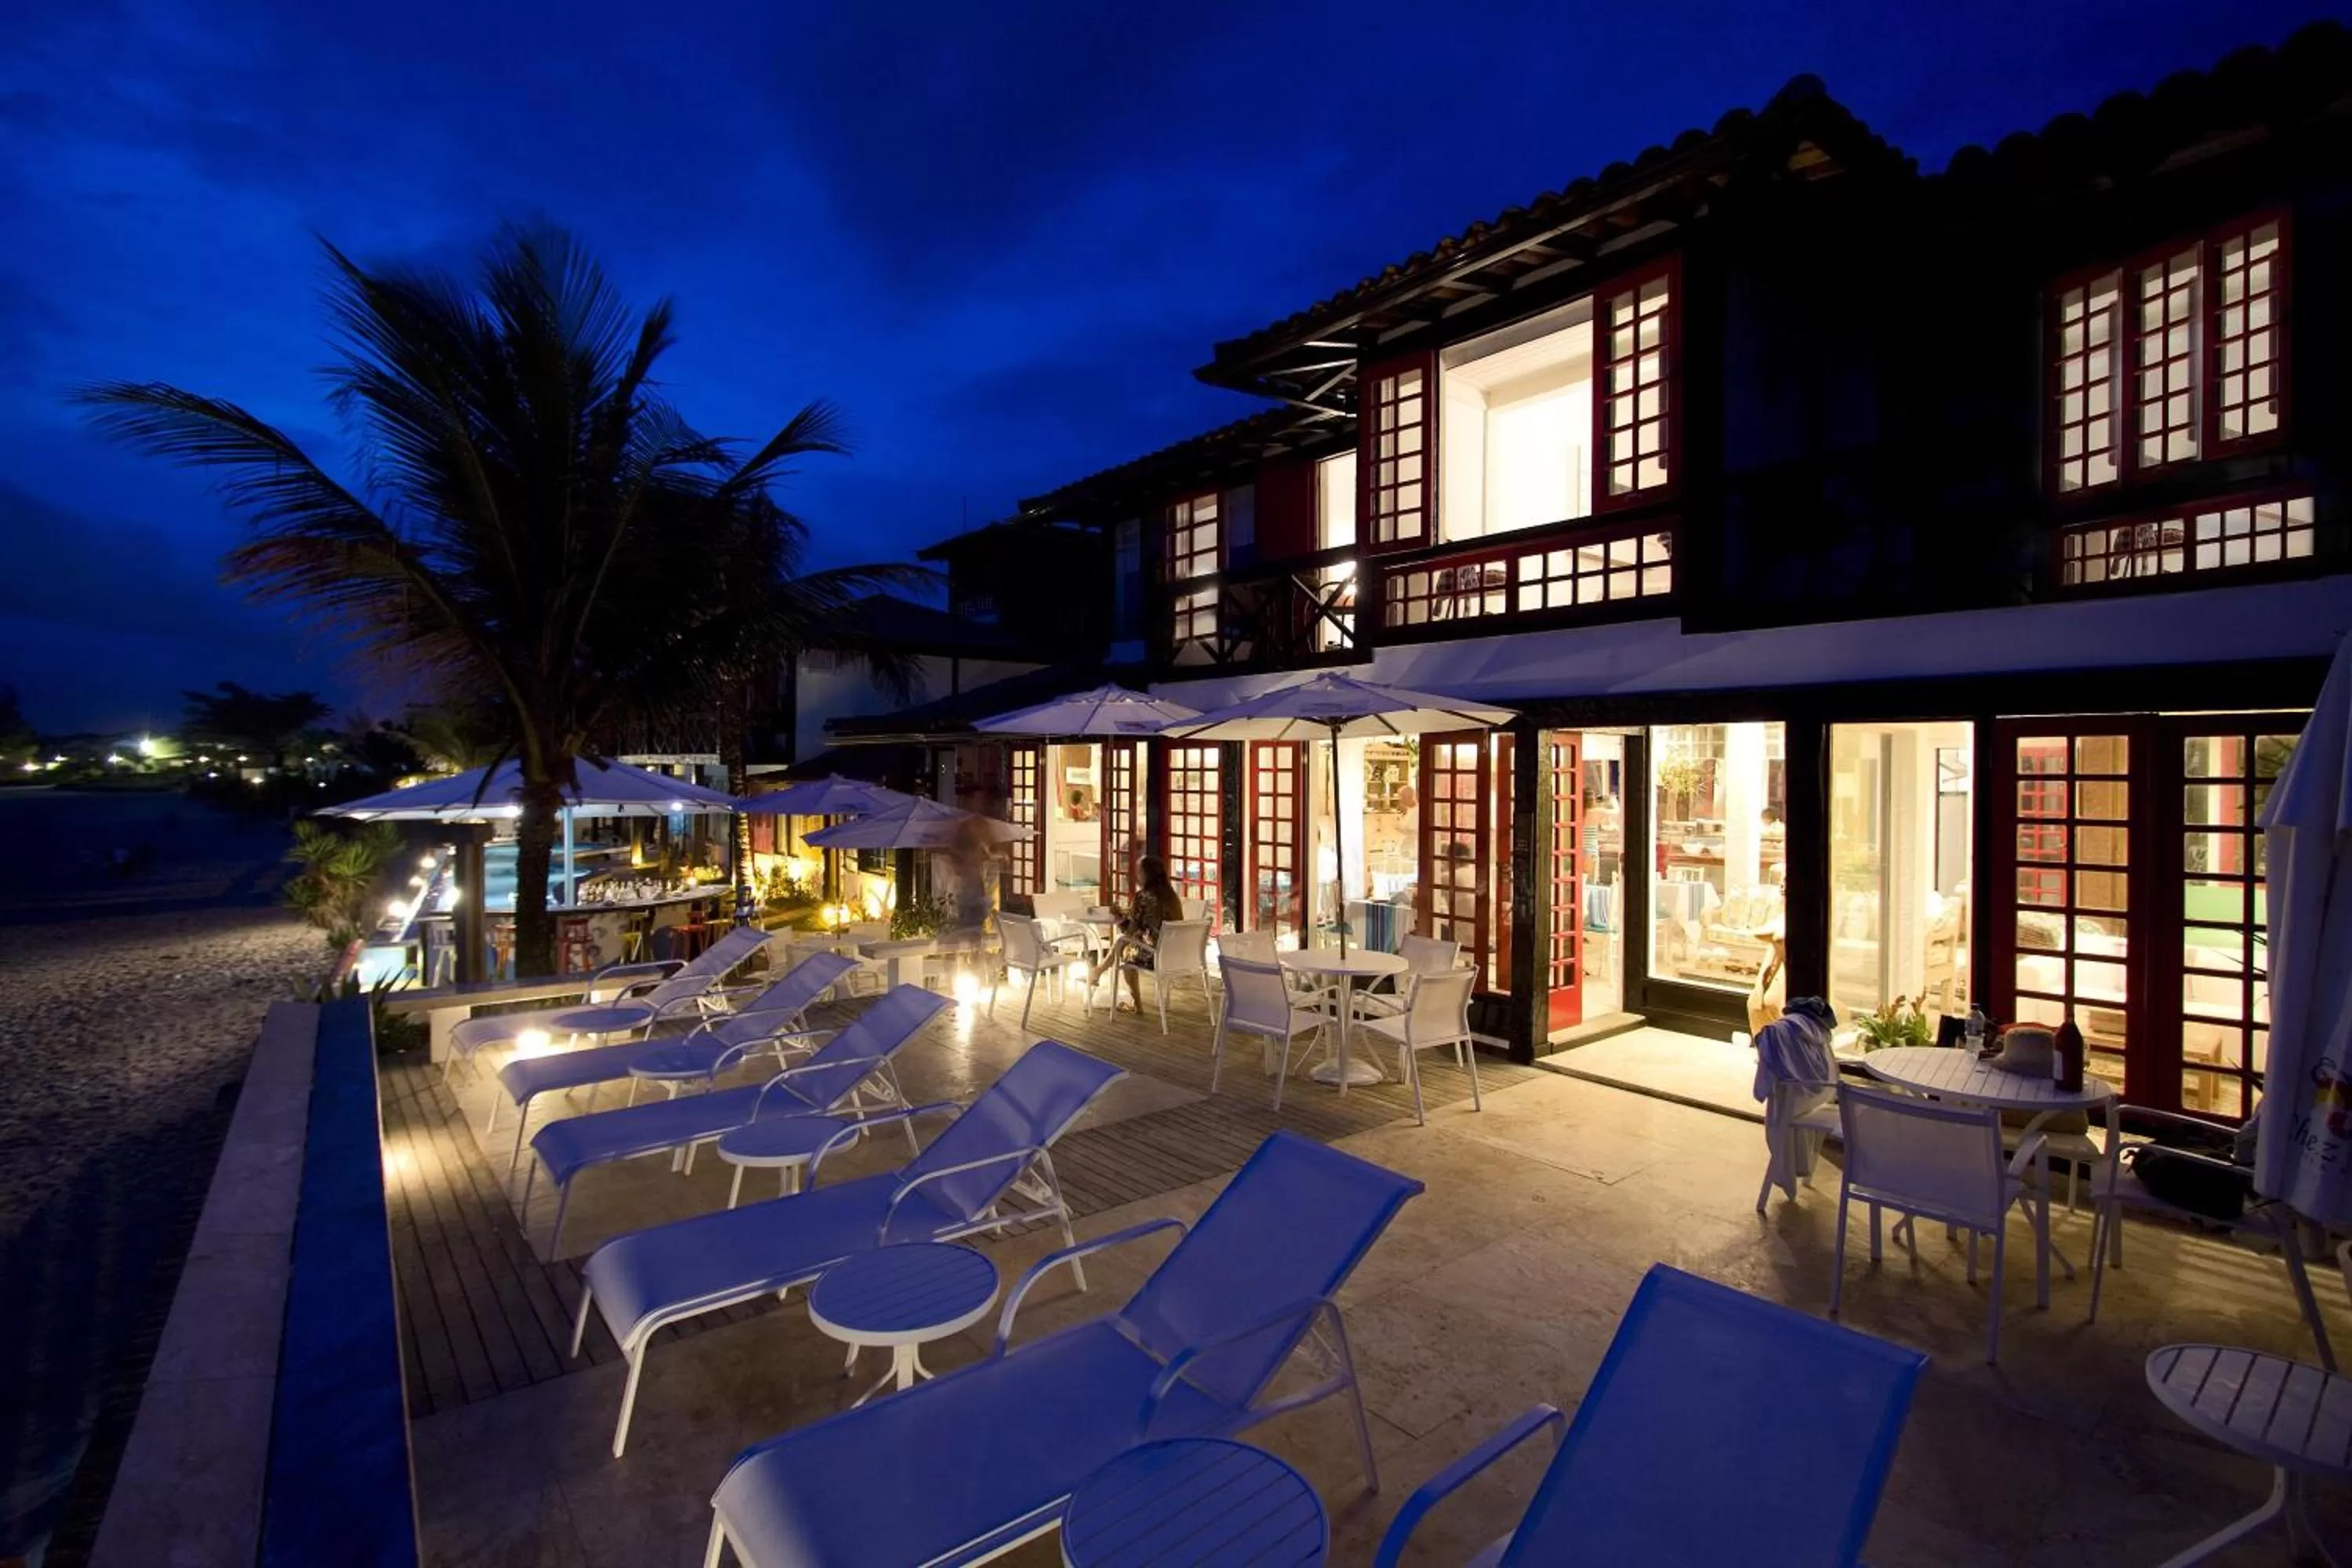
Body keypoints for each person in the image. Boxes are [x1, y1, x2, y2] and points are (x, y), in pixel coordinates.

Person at [1089, 854, 1184, 1013]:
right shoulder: (1171, 896)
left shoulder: (1143, 897)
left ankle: (1137, 1006)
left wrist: (1118, 918)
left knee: (1126, 953)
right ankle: (1098, 971)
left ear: (1147, 875)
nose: (1136, 875)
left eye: (1139, 872)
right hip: (1176, 954)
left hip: (1155, 956)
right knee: (1123, 943)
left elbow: (1130, 932)